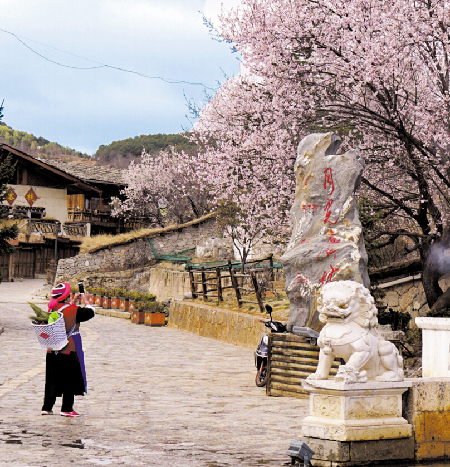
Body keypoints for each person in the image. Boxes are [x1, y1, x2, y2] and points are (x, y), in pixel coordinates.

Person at [41, 282, 95, 417]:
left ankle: (47, 407)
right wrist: (86, 301)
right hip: (68, 349)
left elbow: (64, 312)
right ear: (66, 295)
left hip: (52, 350)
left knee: (51, 379)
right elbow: (90, 313)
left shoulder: (51, 309)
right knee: (69, 380)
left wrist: (71, 302)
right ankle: (67, 408)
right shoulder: (72, 309)